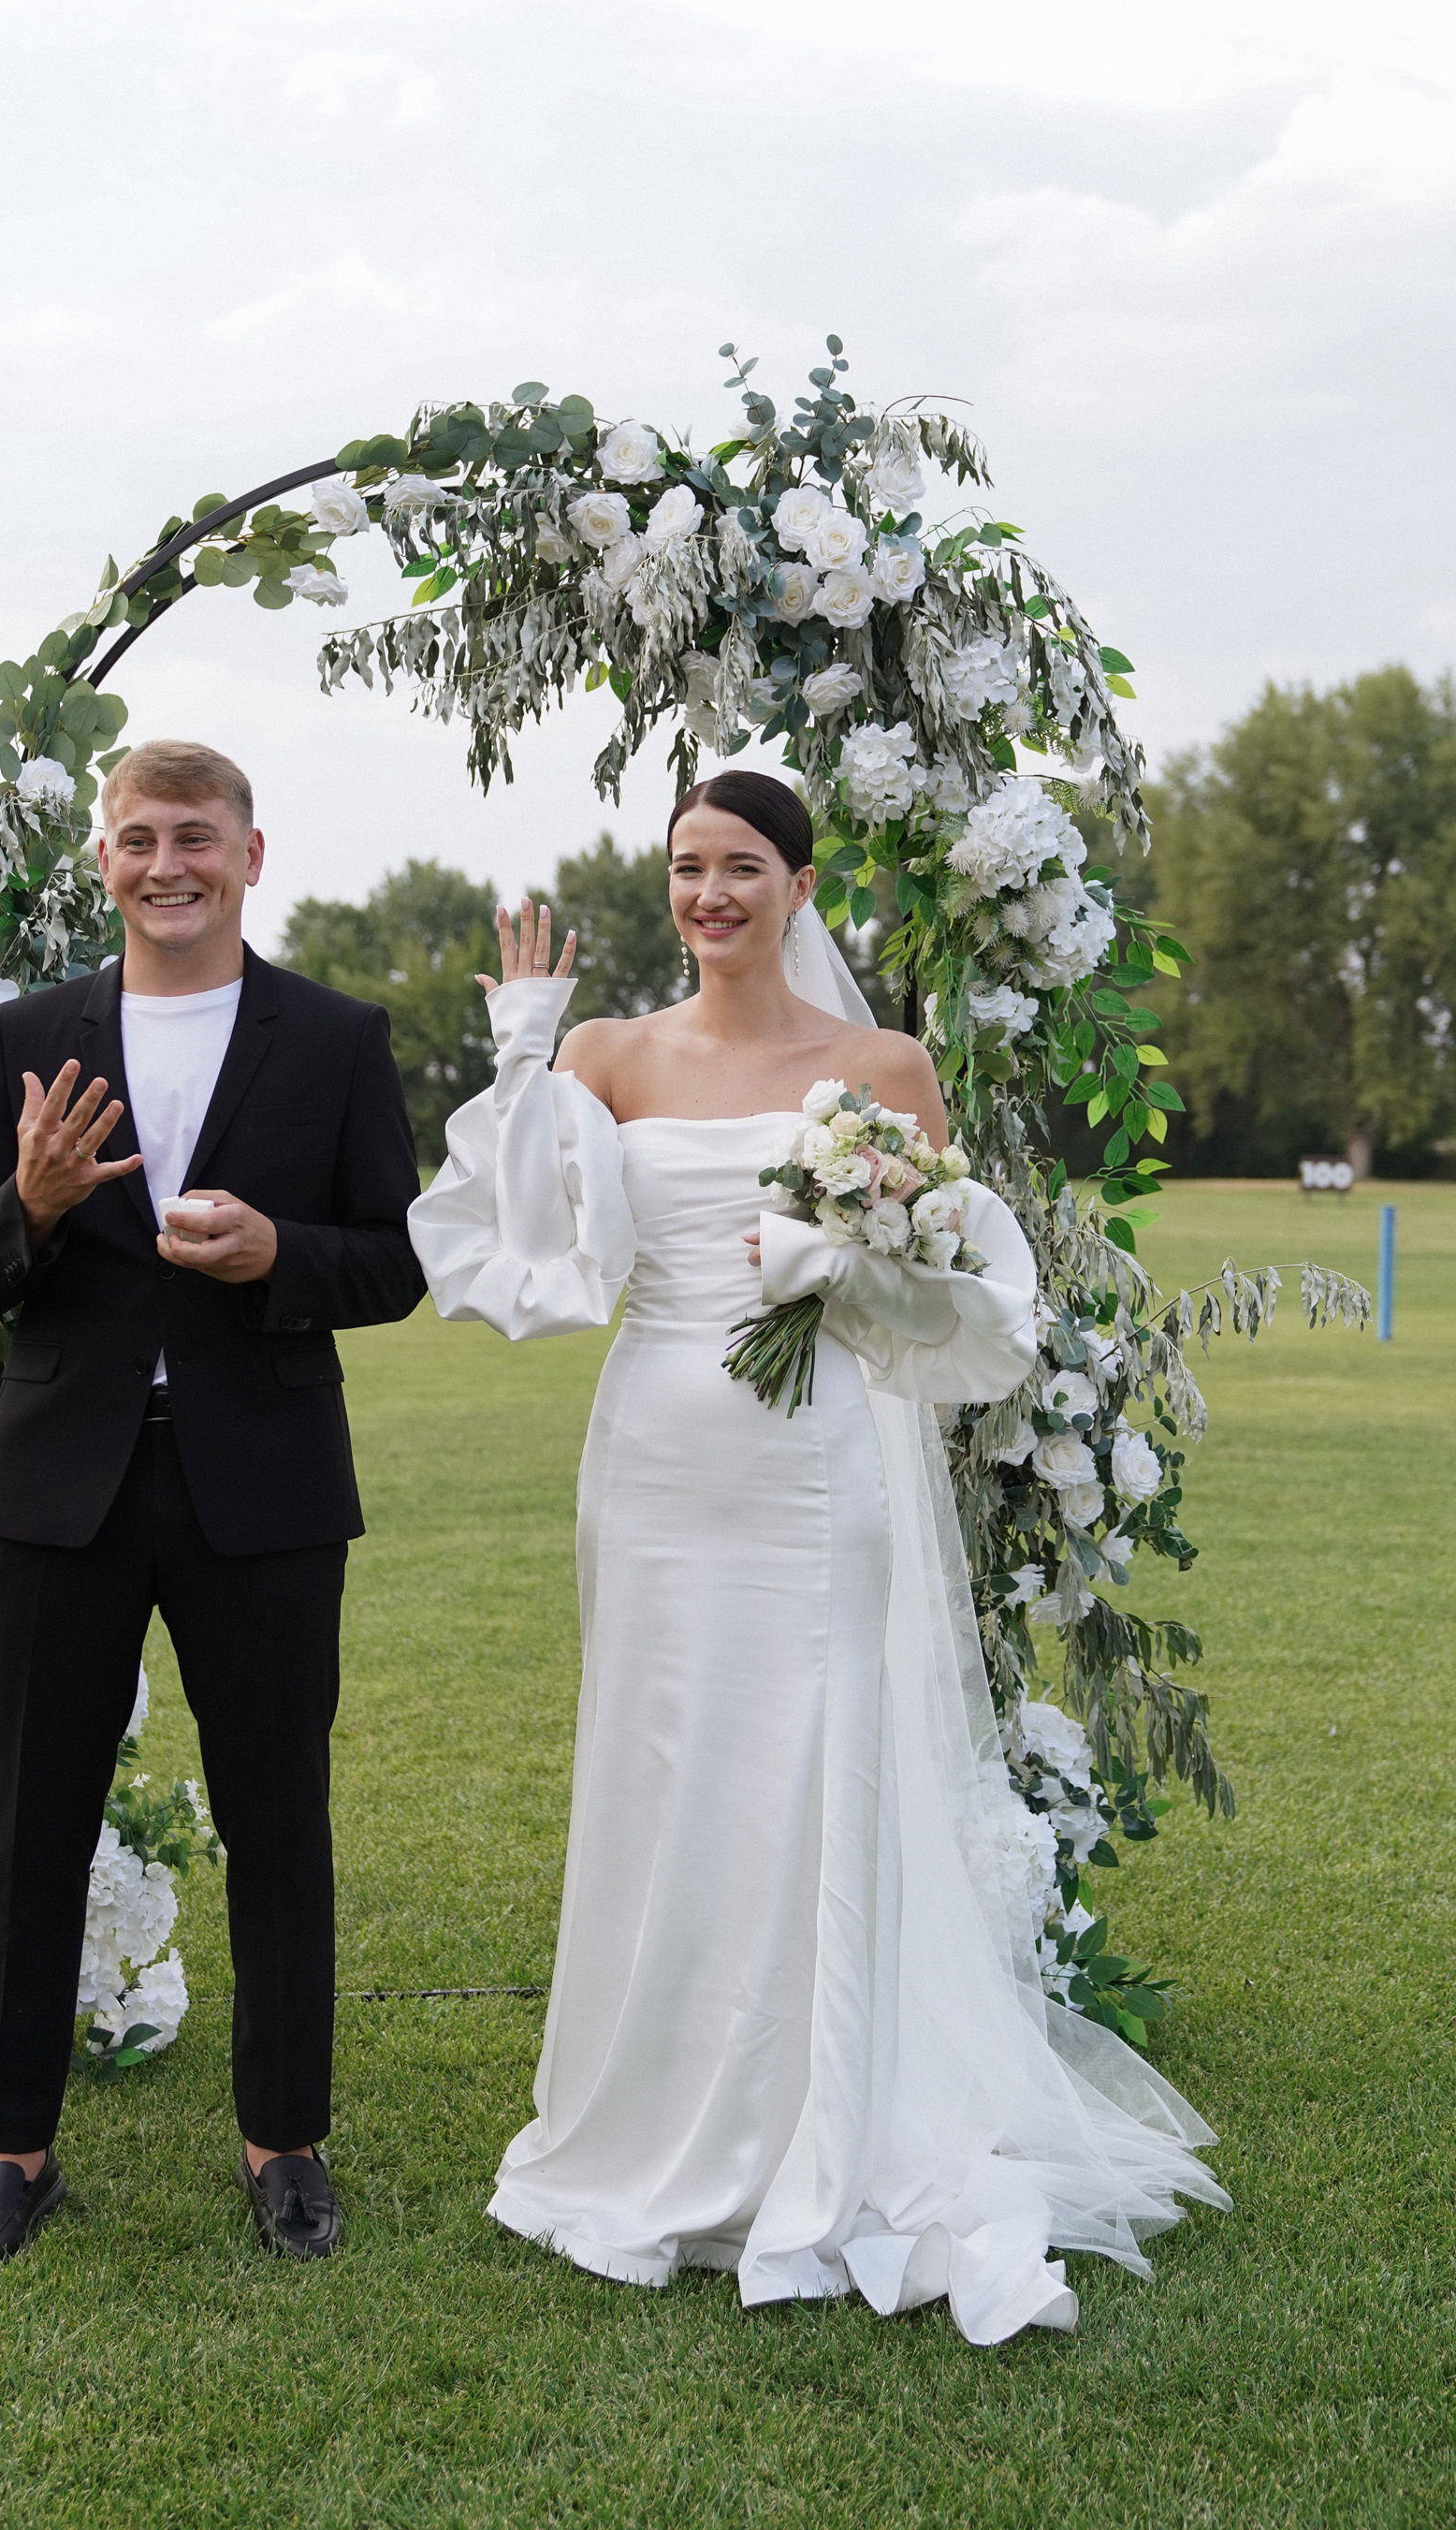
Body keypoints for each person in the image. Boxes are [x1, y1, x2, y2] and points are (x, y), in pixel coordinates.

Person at [407, 768, 1228, 2346]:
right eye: (684, 870)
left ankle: (828, 2116)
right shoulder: (605, 1053)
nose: (708, 896)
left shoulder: (881, 1065)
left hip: (815, 1463)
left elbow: (954, 1306)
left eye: (739, 868)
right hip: (653, 1456)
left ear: (800, 883)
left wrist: (834, 1263)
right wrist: (522, 1045)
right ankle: (655, 2121)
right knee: (665, 1767)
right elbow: (528, 1240)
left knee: (815, 1760)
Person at [0, 739, 427, 2269]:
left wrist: (284, 1253)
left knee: (280, 1822)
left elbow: (398, 1263)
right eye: (139, 837)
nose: (168, 865)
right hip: (61, 1485)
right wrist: (37, 1204)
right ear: (105, 860)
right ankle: (14, 2154)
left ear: (251, 856)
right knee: (34, 1825)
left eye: (196, 838)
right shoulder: (29, 1034)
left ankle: (286, 2146)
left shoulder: (337, 1039)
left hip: (263, 1487)